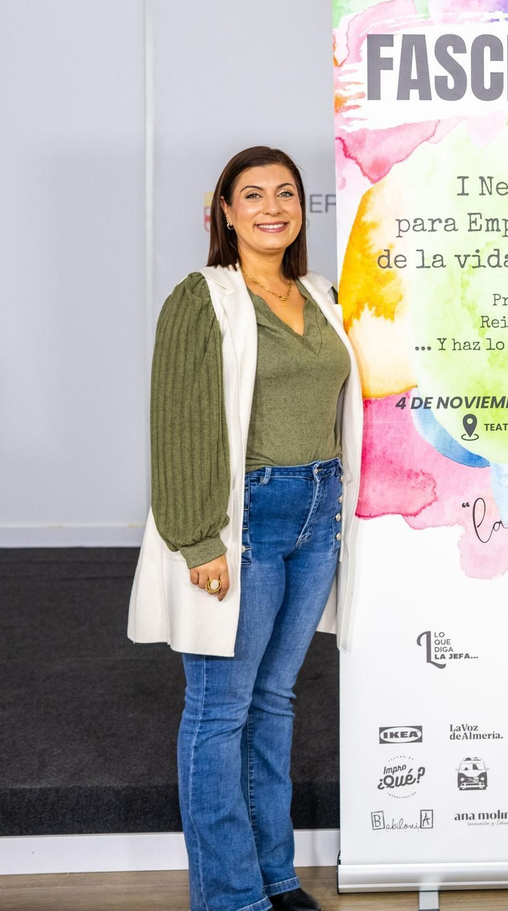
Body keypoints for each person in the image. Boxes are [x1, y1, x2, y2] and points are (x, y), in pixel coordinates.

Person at [128, 146, 364, 911]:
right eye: (252, 194)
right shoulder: (203, 299)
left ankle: (275, 874)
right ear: (224, 212)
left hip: (318, 516)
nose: (272, 206)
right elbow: (177, 425)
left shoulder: (322, 295)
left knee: (275, 702)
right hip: (246, 523)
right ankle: (229, 894)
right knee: (221, 708)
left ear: (301, 209)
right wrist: (197, 540)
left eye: (286, 193)